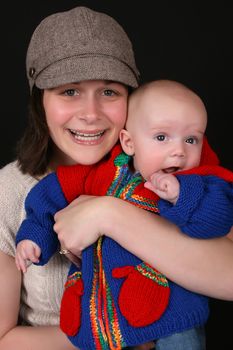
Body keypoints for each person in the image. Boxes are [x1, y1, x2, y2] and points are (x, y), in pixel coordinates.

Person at [0, 4, 232, 350]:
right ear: (40, 101)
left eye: (109, 92)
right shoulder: (10, 190)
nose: (90, 114)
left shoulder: (179, 158)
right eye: (69, 91)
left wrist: (108, 214)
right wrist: (114, 335)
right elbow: (4, 340)